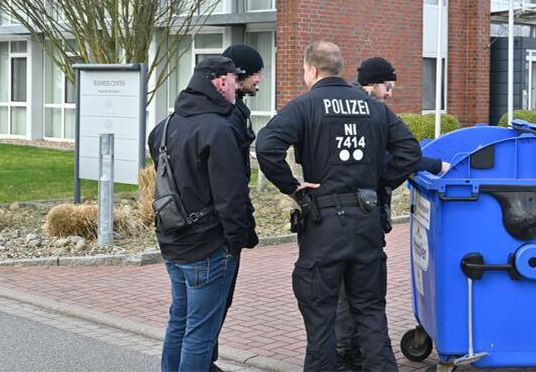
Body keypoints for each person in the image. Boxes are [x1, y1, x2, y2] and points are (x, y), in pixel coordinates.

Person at [256, 41, 421, 371]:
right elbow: (410, 153)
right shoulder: (373, 107)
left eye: (304, 71)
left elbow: (266, 147)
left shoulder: (304, 106)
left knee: (321, 319)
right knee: (371, 313)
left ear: (313, 70)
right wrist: (380, 182)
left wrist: (293, 189)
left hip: (323, 224)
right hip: (367, 223)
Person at [336, 56, 450, 370]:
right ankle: (349, 352)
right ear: (372, 84)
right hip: (359, 216)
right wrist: (432, 166)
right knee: (360, 292)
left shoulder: (347, 107)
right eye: (387, 86)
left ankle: (348, 350)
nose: (390, 94)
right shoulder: (370, 113)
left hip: (337, 217)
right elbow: (399, 156)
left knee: (349, 289)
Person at [148, 56, 258, 372]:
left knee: (179, 322)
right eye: (233, 80)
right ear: (220, 81)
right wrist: (237, 241)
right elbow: (231, 199)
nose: (237, 87)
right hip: (208, 248)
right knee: (199, 334)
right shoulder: (219, 130)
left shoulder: (163, 127)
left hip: (172, 242)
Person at [205, 44, 265, 371]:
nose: (261, 78)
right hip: (219, 227)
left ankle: (203, 360)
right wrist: (238, 231)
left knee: (214, 303)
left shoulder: (233, 110)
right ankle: (203, 362)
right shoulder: (225, 115)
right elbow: (228, 182)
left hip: (221, 223)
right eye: (256, 72)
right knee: (213, 302)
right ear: (237, 75)